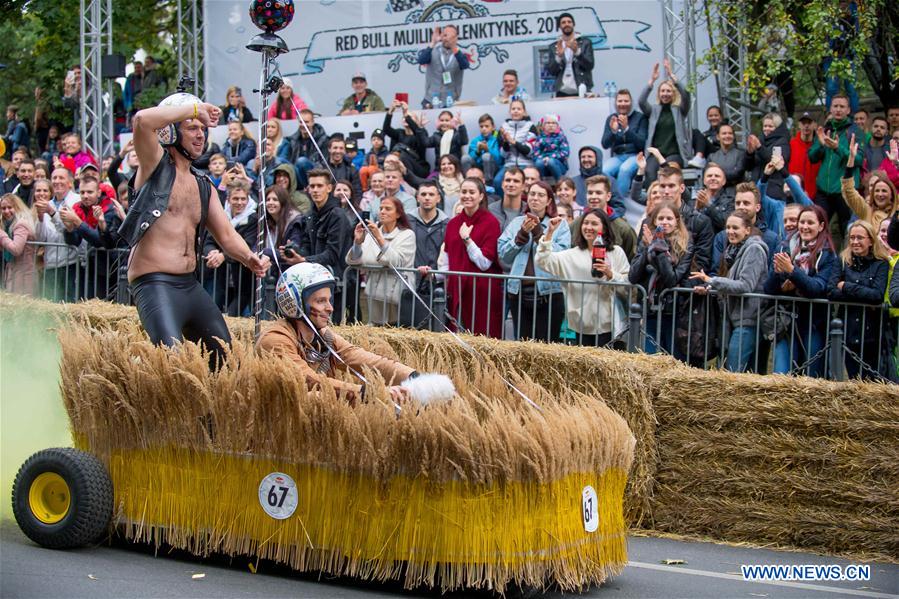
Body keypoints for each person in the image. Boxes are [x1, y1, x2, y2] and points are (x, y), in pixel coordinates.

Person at [123, 92, 269, 366]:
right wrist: (194, 108)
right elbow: (142, 120)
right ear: (170, 133)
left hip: (189, 285)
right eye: (192, 127)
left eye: (203, 128)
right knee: (174, 363)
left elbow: (227, 236)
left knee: (228, 361)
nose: (201, 134)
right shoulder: (154, 166)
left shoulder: (204, 185)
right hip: (154, 284)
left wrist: (250, 259)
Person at [256, 262, 417, 404]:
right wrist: (372, 393)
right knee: (316, 398)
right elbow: (309, 380)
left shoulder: (323, 336)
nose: (330, 308)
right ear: (295, 303)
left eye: (329, 300)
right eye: (320, 301)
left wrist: (414, 377)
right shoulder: (274, 340)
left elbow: (361, 358)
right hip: (282, 421)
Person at [536, 208, 630, 347]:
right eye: (585, 223)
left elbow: (628, 284)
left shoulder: (616, 252)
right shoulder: (571, 255)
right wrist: (549, 233)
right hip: (582, 325)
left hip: (611, 324)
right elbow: (543, 261)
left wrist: (611, 274)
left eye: (594, 223)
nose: (588, 227)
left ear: (604, 228)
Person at [691, 210, 769, 372]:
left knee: (732, 370)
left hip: (749, 319)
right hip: (734, 318)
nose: (730, 232)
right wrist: (709, 288)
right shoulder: (733, 250)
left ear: (747, 230)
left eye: (735, 228)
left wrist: (712, 280)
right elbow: (732, 282)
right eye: (727, 227)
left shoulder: (754, 249)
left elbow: (745, 285)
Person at [764, 205, 835, 377]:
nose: (804, 226)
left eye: (810, 222)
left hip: (813, 323)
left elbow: (817, 288)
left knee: (811, 376)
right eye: (802, 222)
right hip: (786, 321)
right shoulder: (785, 246)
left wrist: (792, 272)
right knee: (780, 375)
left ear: (821, 226)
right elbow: (768, 289)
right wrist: (779, 277)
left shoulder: (828, 255)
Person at [499, 180, 570, 342]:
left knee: (546, 345)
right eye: (532, 194)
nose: (535, 198)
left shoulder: (559, 224)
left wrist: (540, 235)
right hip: (519, 292)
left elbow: (562, 256)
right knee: (523, 344)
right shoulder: (516, 223)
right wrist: (521, 236)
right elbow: (503, 256)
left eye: (540, 195)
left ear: (549, 201)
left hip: (550, 292)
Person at [629, 201, 695, 355]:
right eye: (661, 218)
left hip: (673, 311)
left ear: (677, 222)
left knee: (672, 357)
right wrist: (649, 248)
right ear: (654, 221)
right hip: (650, 308)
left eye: (669, 219)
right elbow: (633, 277)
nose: (665, 222)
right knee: (650, 357)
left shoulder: (687, 244)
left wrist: (659, 249)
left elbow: (672, 279)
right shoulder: (647, 242)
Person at [828, 220, 889, 379]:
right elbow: (831, 291)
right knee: (853, 379)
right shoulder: (842, 260)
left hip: (871, 333)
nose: (855, 242)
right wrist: (862, 292)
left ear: (870, 240)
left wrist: (846, 286)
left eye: (860, 238)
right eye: (852, 237)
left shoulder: (881, 264)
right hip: (847, 331)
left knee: (872, 381)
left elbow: (876, 295)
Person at [443, 177, 504, 338]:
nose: (467, 196)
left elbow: (485, 263)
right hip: (456, 289)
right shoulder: (453, 224)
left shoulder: (491, 222)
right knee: (455, 336)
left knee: (482, 336)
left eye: (472, 192)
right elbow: (446, 259)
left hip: (482, 292)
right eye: (464, 192)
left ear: (481, 196)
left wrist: (467, 240)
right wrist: (432, 273)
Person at [345, 196, 416, 325]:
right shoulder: (371, 234)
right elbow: (357, 261)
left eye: (388, 209)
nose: (382, 211)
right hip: (374, 295)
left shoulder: (407, 235)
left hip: (397, 297)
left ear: (398, 214)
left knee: (397, 329)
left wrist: (379, 238)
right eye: (381, 208)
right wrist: (357, 243)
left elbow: (397, 262)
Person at [808, 93, 864, 235]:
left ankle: (847, 257)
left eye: (842, 106)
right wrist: (821, 145)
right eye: (835, 106)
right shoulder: (825, 129)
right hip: (823, 191)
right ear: (830, 109)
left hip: (845, 191)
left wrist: (837, 148)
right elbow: (812, 158)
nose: (838, 109)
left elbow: (858, 160)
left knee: (847, 230)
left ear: (848, 110)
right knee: (817, 227)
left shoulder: (855, 131)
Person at [202, 181, 258, 316]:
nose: (239, 202)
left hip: (243, 278)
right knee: (213, 310)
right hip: (221, 276)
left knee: (234, 314)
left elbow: (247, 245)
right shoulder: (220, 216)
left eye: (243, 199)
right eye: (235, 198)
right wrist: (211, 252)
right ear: (228, 199)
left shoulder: (253, 219)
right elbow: (208, 240)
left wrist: (223, 256)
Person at [639, 59, 693, 182]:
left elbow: (686, 95)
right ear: (659, 93)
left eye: (668, 91)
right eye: (662, 91)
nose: (665, 94)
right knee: (649, 172)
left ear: (673, 94)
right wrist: (651, 81)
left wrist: (673, 77)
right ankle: (652, 200)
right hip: (655, 153)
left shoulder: (679, 110)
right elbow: (641, 101)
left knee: (668, 171)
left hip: (674, 153)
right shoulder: (653, 110)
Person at [34, 171, 81, 301]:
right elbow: (41, 238)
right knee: (50, 306)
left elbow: (68, 230)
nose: (57, 181)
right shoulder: (48, 204)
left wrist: (52, 213)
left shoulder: (77, 201)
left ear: (69, 183)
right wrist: (40, 218)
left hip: (69, 264)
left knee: (67, 306)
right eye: (54, 177)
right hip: (50, 264)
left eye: (61, 177)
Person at [842, 133, 898, 233]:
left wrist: (896, 164)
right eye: (876, 190)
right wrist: (851, 159)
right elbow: (848, 190)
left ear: (891, 194)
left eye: (884, 191)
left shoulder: (896, 210)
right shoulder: (866, 210)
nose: (880, 194)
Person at [601, 89, 648, 196]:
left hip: (635, 156)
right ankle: (609, 200)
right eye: (620, 101)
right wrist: (613, 131)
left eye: (626, 101)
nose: (623, 104)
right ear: (616, 103)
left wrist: (627, 128)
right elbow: (605, 144)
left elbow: (642, 143)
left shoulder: (640, 117)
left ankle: (620, 202)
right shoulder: (612, 118)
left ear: (631, 102)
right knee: (604, 170)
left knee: (624, 170)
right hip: (618, 156)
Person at [584, 175, 637, 259]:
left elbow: (632, 262)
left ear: (608, 196)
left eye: (598, 193)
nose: (593, 197)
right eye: (590, 193)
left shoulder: (624, 229)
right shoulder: (576, 225)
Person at [418, 24, 469, 108]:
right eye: (445, 35)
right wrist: (433, 42)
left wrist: (453, 47)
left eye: (451, 36)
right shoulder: (432, 50)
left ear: (456, 38)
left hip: (450, 101)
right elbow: (421, 60)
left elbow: (465, 65)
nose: (447, 38)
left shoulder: (460, 54)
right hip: (431, 99)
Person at [546, 12, 594, 97]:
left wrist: (577, 52)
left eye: (569, 22)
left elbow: (590, 65)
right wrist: (558, 57)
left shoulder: (585, 43)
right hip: (561, 91)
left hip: (582, 89)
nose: (566, 24)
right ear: (559, 26)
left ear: (573, 24)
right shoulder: (554, 47)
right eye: (563, 22)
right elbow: (551, 71)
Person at [746, 113, 791, 201]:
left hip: (773, 188)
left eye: (770, 126)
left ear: (777, 128)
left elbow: (775, 162)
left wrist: (759, 147)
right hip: (755, 185)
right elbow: (748, 167)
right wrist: (749, 153)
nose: (767, 129)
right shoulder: (760, 139)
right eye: (765, 126)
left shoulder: (783, 142)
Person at [261, 185, 304, 278]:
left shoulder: (295, 222)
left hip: (291, 274)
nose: (270, 202)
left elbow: (290, 252)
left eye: (275, 199)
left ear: (283, 202)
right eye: (268, 199)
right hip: (273, 275)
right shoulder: (265, 222)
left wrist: (264, 252)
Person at [487, 167, 526, 269]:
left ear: (523, 186)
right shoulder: (490, 210)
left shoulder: (529, 212)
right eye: (508, 180)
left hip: (520, 271)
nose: (511, 184)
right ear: (502, 184)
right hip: (495, 271)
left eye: (516, 181)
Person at [494, 99, 537, 190]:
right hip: (509, 164)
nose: (516, 111)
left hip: (526, 164)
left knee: (525, 183)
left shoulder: (530, 126)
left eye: (519, 109)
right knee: (497, 181)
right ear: (510, 111)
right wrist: (506, 142)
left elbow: (530, 151)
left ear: (524, 111)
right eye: (513, 109)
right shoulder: (503, 127)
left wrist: (513, 142)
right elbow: (503, 154)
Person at [381, 100, 430, 179]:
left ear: (416, 121)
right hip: (399, 165)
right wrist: (390, 111)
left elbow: (418, 133)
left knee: (402, 155)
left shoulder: (421, 134)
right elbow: (386, 129)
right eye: (404, 117)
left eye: (408, 117)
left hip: (418, 168)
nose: (405, 118)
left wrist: (405, 113)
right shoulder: (399, 133)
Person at [0, 193, 37, 296]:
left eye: (9, 207)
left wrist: (1, 235)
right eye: (3, 208)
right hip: (14, 270)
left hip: (24, 274)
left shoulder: (21, 224)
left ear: (17, 207)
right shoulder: (8, 225)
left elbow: (16, 249)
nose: (6, 211)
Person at [693, 163, 735, 234]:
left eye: (717, 176)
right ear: (704, 181)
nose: (713, 178)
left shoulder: (731, 201)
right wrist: (696, 209)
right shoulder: (695, 200)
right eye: (709, 176)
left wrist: (708, 205)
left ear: (724, 181)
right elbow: (690, 227)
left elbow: (725, 224)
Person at [789, 112, 822, 200]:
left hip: (815, 195)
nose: (806, 126)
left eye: (809, 123)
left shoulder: (819, 146)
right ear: (799, 125)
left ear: (815, 125)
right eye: (803, 123)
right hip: (793, 193)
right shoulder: (791, 144)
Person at [707, 123, 747, 189]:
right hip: (716, 193)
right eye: (724, 133)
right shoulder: (712, 157)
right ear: (718, 137)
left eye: (730, 133)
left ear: (733, 136)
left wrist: (717, 169)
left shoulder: (741, 154)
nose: (727, 136)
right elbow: (707, 177)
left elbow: (737, 174)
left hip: (736, 193)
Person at [322, 136, 362, 201]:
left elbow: (357, 192)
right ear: (329, 149)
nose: (338, 151)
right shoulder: (321, 168)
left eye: (341, 148)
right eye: (335, 148)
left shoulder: (352, 169)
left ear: (344, 150)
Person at [466, 114, 502, 186]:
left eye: (487, 126)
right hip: (478, 167)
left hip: (493, 168)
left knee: (486, 156)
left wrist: (488, 149)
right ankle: (467, 182)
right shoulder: (475, 140)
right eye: (481, 126)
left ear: (493, 127)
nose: (484, 129)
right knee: (465, 158)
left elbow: (499, 159)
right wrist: (477, 152)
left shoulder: (497, 139)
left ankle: (488, 184)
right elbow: (470, 157)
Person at [533, 113, 570, 180]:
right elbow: (536, 153)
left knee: (551, 162)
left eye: (553, 123)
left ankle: (559, 183)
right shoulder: (540, 137)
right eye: (548, 123)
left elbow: (565, 153)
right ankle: (542, 184)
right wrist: (543, 159)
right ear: (543, 125)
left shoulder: (561, 137)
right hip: (543, 164)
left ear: (557, 126)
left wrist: (549, 158)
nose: (550, 125)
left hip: (558, 165)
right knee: (538, 163)